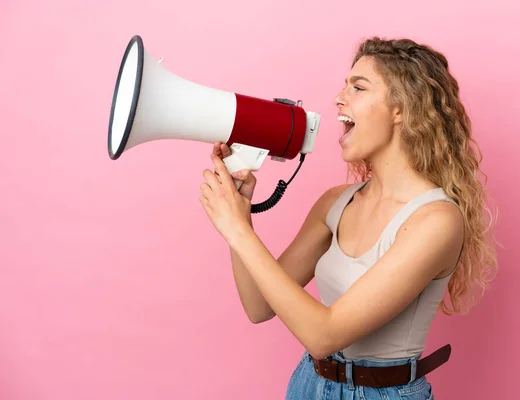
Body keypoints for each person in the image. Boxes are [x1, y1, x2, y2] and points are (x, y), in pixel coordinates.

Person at [198, 37, 498, 399]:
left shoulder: (436, 221)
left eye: (358, 87)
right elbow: (259, 306)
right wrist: (240, 220)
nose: (339, 98)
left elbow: (324, 336)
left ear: (401, 107)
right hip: (310, 383)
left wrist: (237, 231)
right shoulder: (335, 204)